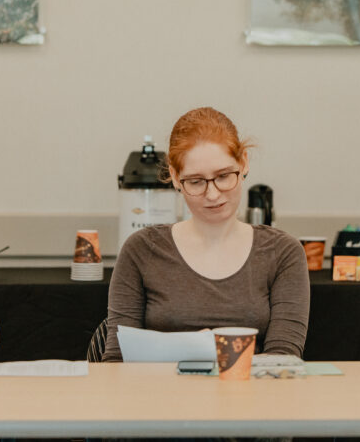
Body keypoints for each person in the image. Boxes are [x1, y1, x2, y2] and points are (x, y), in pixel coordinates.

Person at [102, 107, 309, 362]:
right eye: (196, 181)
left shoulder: (282, 253)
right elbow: (116, 362)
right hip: (158, 399)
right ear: (176, 178)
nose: (212, 195)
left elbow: (283, 360)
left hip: (251, 400)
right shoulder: (142, 250)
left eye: (223, 176)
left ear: (243, 162)